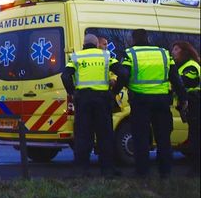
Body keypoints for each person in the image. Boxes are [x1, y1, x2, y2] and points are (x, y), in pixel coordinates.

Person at [113, 29, 183, 178]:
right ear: (148, 38)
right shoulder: (164, 53)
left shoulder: (130, 53)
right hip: (162, 101)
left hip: (140, 101)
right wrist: (183, 98)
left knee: (141, 137)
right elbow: (175, 78)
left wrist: (115, 91)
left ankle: (142, 171)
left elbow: (124, 74)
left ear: (133, 39)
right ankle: (165, 172)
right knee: (163, 138)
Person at [62, 34, 119, 176]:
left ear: (84, 43)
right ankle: (107, 170)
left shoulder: (76, 57)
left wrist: (72, 92)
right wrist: (114, 92)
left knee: (83, 135)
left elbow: (65, 76)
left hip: (83, 100)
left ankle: (81, 169)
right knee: (105, 135)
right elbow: (122, 73)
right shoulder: (106, 56)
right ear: (96, 43)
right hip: (102, 99)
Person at [171, 41, 200, 175]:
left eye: (176, 49)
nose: (173, 52)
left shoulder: (192, 66)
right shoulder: (181, 66)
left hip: (196, 104)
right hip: (191, 106)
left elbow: (185, 82)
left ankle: (195, 170)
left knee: (195, 138)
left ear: (184, 51)